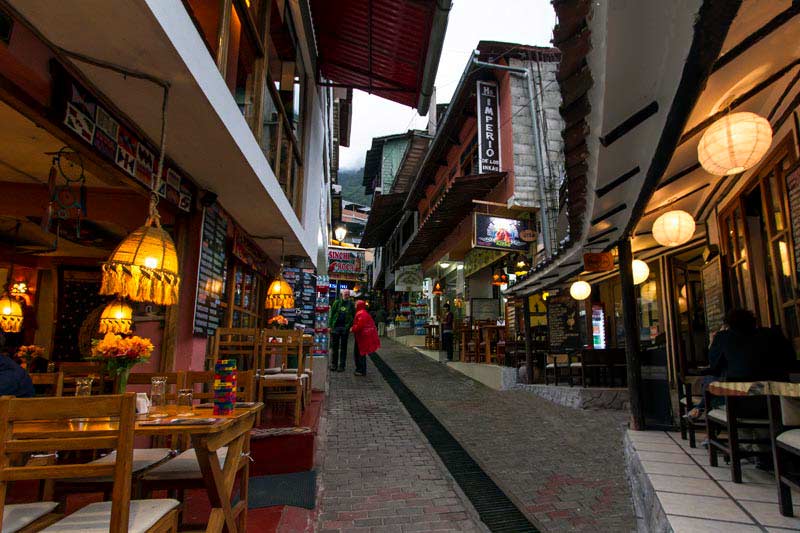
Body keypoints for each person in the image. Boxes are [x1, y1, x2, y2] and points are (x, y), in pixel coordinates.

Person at [687, 308, 795, 420]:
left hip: (741, 406)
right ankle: (700, 407)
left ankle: (700, 408)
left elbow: (714, 367)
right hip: (781, 404)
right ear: (754, 322)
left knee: (709, 380)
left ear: (729, 325)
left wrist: (713, 343)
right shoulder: (773, 334)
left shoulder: (723, 337)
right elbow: (790, 361)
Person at [351, 300, 380, 376]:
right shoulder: (364, 313)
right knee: (361, 353)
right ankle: (361, 369)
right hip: (363, 336)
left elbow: (359, 326)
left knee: (359, 354)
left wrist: (352, 328)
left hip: (361, 337)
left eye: (356, 305)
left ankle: (360, 370)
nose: (354, 306)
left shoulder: (360, 313)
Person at [328, 289, 355, 372]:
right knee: (335, 347)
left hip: (345, 328)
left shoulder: (351, 304)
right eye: (345, 294)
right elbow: (331, 314)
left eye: (348, 294)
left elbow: (353, 315)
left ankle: (342, 366)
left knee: (343, 348)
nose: (347, 296)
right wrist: (330, 326)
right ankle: (334, 364)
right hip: (335, 327)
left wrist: (351, 325)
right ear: (342, 294)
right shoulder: (337, 302)